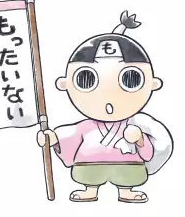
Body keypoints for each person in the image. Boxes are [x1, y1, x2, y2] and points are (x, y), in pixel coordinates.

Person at [36, 11, 173, 204]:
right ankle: (90, 189)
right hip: (89, 164)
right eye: (86, 80)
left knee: (130, 175)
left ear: (152, 84)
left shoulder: (136, 124)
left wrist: (140, 139)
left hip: (128, 166)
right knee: (87, 174)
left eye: (131, 80)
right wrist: (52, 138)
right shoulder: (86, 127)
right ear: (65, 84)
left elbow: (147, 152)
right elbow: (71, 135)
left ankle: (126, 190)